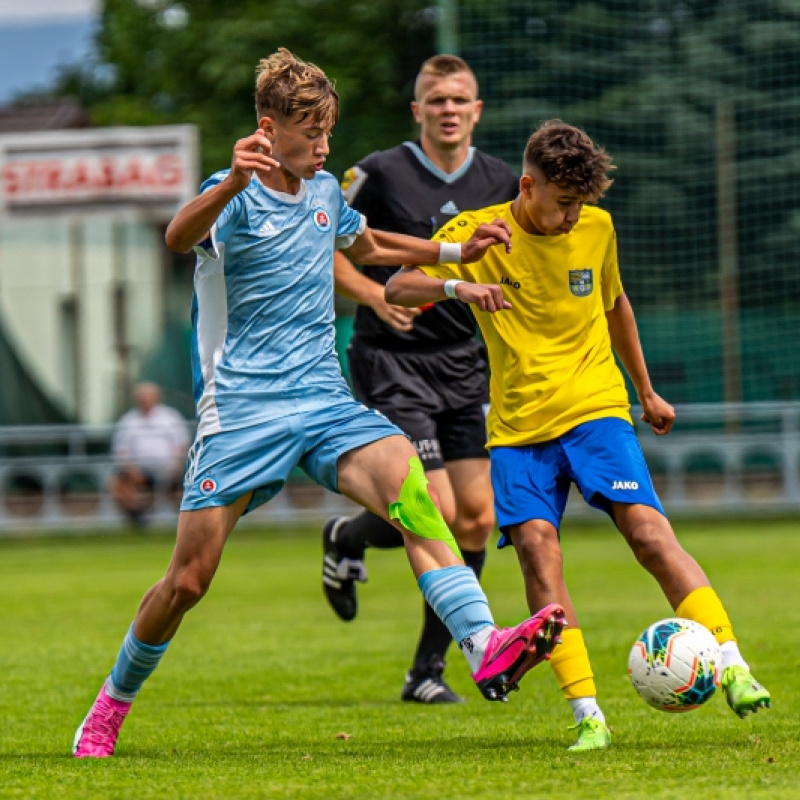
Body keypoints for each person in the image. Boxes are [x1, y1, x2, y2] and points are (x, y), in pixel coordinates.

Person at [71, 49, 567, 759]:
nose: (326, 147)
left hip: (323, 399)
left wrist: (454, 256)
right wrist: (230, 182)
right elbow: (178, 237)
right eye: (313, 134)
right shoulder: (232, 191)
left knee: (415, 495)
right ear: (269, 130)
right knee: (187, 581)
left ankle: (483, 643)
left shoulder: (327, 190)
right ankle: (109, 706)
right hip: (243, 410)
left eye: (329, 132)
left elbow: (366, 246)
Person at [385, 119, 772, 751]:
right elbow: (397, 284)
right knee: (540, 552)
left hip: (596, 406)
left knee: (648, 534)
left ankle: (733, 667)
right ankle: (588, 715)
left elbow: (615, 303)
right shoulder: (479, 231)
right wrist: (460, 282)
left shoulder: (597, 227)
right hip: (516, 428)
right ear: (527, 184)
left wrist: (645, 391)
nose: (572, 217)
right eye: (563, 203)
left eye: (580, 204)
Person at [322, 54, 519, 705]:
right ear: (418, 110)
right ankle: (445, 665)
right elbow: (325, 251)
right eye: (436, 99)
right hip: (391, 363)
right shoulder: (376, 172)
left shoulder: (500, 179)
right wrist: (377, 299)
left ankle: (351, 539)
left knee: (476, 517)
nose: (449, 109)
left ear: (477, 108)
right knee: (431, 508)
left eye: (460, 98)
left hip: (463, 363)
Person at [109, 382, 190, 526]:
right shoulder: (128, 421)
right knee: (117, 485)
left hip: (169, 469)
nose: (145, 400)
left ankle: (184, 522)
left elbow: (182, 445)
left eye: (148, 397)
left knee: (187, 485)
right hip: (138, 471)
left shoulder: (171, 417)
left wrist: (174, 467)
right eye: (142, 397)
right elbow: (120, 451)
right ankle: (137, 521)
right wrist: (133, 471)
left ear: (157, 398)